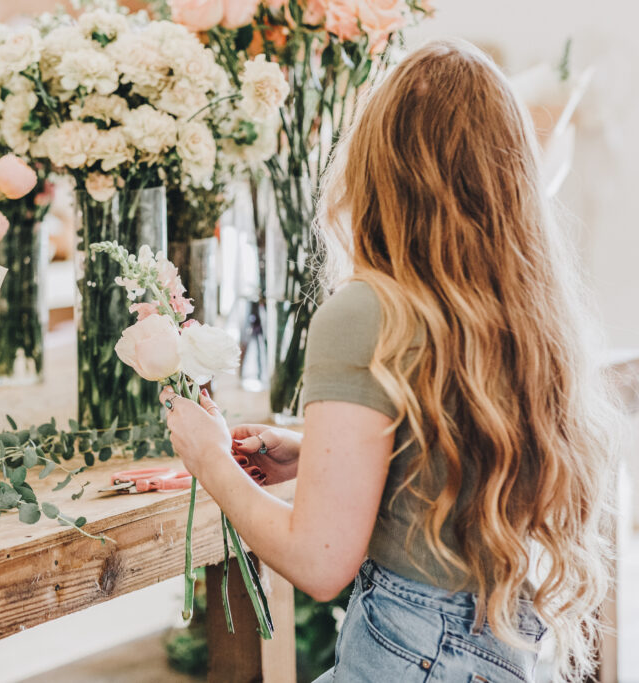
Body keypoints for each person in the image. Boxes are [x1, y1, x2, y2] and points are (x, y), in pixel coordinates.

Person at [160, 39, 619, 683]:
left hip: (414, 655)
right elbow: (449, 457)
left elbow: (321, 563)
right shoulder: (528, 314)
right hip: (500, 654)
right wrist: (314, 451)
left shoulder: (366, 313)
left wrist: (208, 458)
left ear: (379, 164)